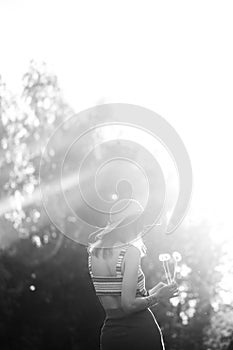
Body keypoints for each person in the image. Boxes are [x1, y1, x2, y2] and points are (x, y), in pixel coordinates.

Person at [88, 199, 178, 350]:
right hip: (140, 332)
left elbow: (124, 300)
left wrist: (154, 291)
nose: (142, 228)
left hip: (111, 335)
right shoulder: (130, 251)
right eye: (140, 222)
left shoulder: (94, 255)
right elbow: (129, 305)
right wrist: (159, 296)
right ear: (131, 223)